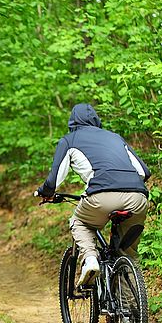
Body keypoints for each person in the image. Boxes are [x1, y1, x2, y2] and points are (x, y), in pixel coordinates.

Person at [37, 103, 151, 284]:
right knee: (127, 255)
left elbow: (53, 181)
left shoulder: (70, 140)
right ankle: (130, 310)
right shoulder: (115, 138)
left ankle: (90, 259)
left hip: (101, 197)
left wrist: (44, 192)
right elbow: (144, 172)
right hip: (138, 198)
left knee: (79, 221)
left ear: (72, 121)